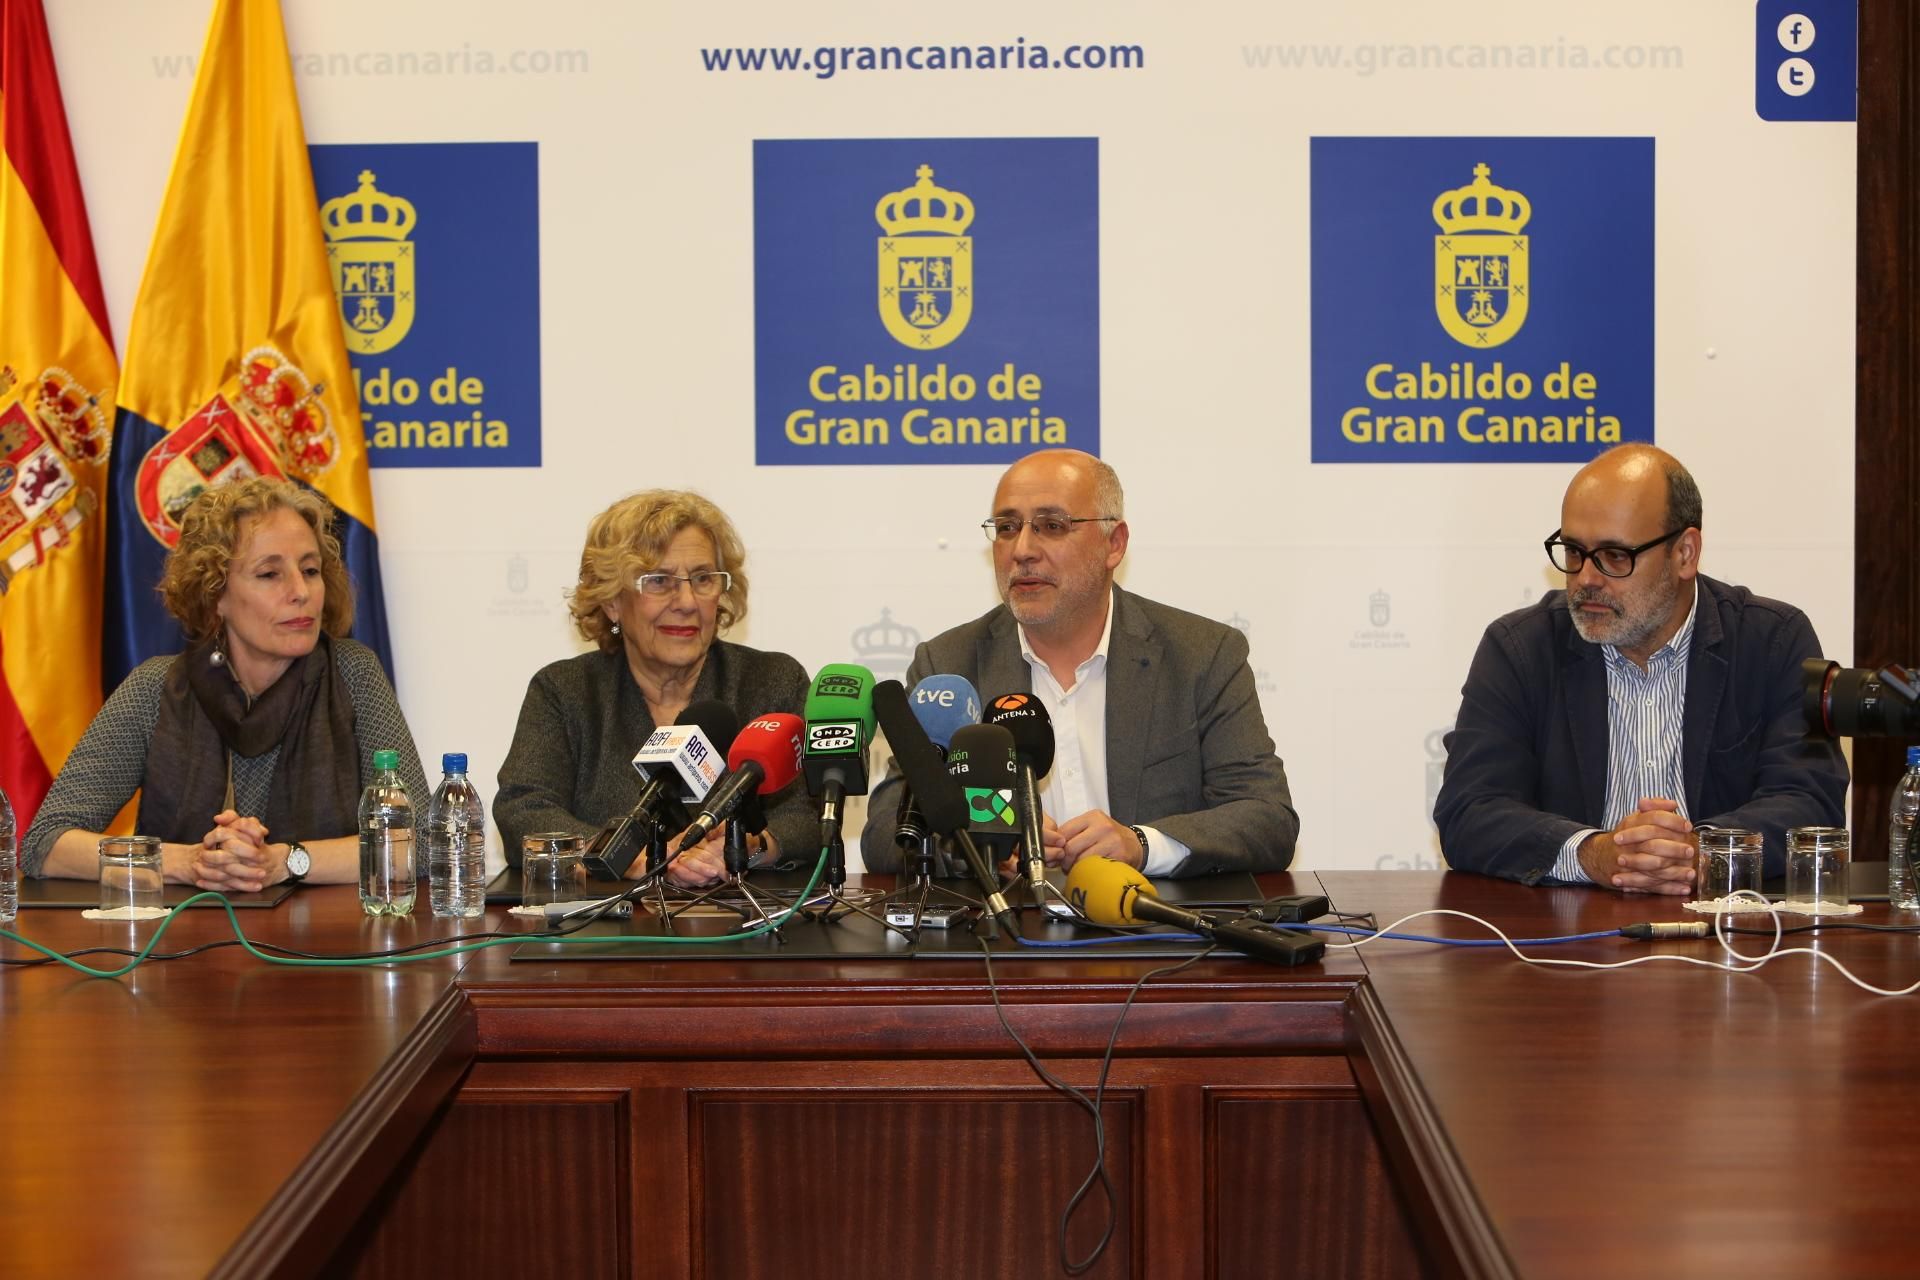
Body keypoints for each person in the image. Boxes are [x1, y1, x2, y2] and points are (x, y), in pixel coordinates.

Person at [860, 449, 1298, 877]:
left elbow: (1266, 817)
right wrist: (984, 847)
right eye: (1007, 527)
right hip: (1004, 936)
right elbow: (885, 831)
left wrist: (1142, 845)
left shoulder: (1202, 654)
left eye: (1052, 525)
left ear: (1114, 543)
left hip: (1156, 933)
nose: (1023, 550)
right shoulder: (948, 665)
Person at [1433, 444, 1848, 891]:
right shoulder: (1520, 649)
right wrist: (1592, 853)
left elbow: (1809, 801)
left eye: (1615, 556)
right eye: (1574, 552)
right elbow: (1469, 809)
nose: (1586, 579)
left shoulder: (1772, 641)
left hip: (1730, 933)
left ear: (1685, 554)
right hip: (1567, 939)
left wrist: (1693, 850)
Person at [23, 478, 426, 890]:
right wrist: (186, 861)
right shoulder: (156, 688)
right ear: (215, 593)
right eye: (270, 574)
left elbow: (422, 843)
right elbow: (47, 842)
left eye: (310, 570)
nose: (301, 592)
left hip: (322, 945)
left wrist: (286, 860)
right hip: (181, 942)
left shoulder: (353, 674)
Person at [494, 490, 811, 887]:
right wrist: (628, 858)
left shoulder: (772, 681)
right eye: (659, 581)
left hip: (745, 928)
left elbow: (803, 816)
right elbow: (524, 811)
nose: (687, 601)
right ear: (611, 601)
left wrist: (750, 847)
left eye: (703, 579)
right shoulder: (565, 691)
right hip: (605, 935)